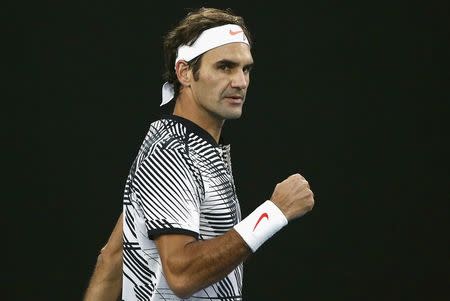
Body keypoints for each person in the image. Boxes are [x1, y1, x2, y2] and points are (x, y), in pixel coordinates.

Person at [84, 7, 315, 301]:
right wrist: (273, 213)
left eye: (246, 69)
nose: (241, 82)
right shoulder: (172, 153)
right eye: (225, 67)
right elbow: (182, 275)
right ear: (184, 73)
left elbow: (113, 259)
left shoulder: (187, 146)